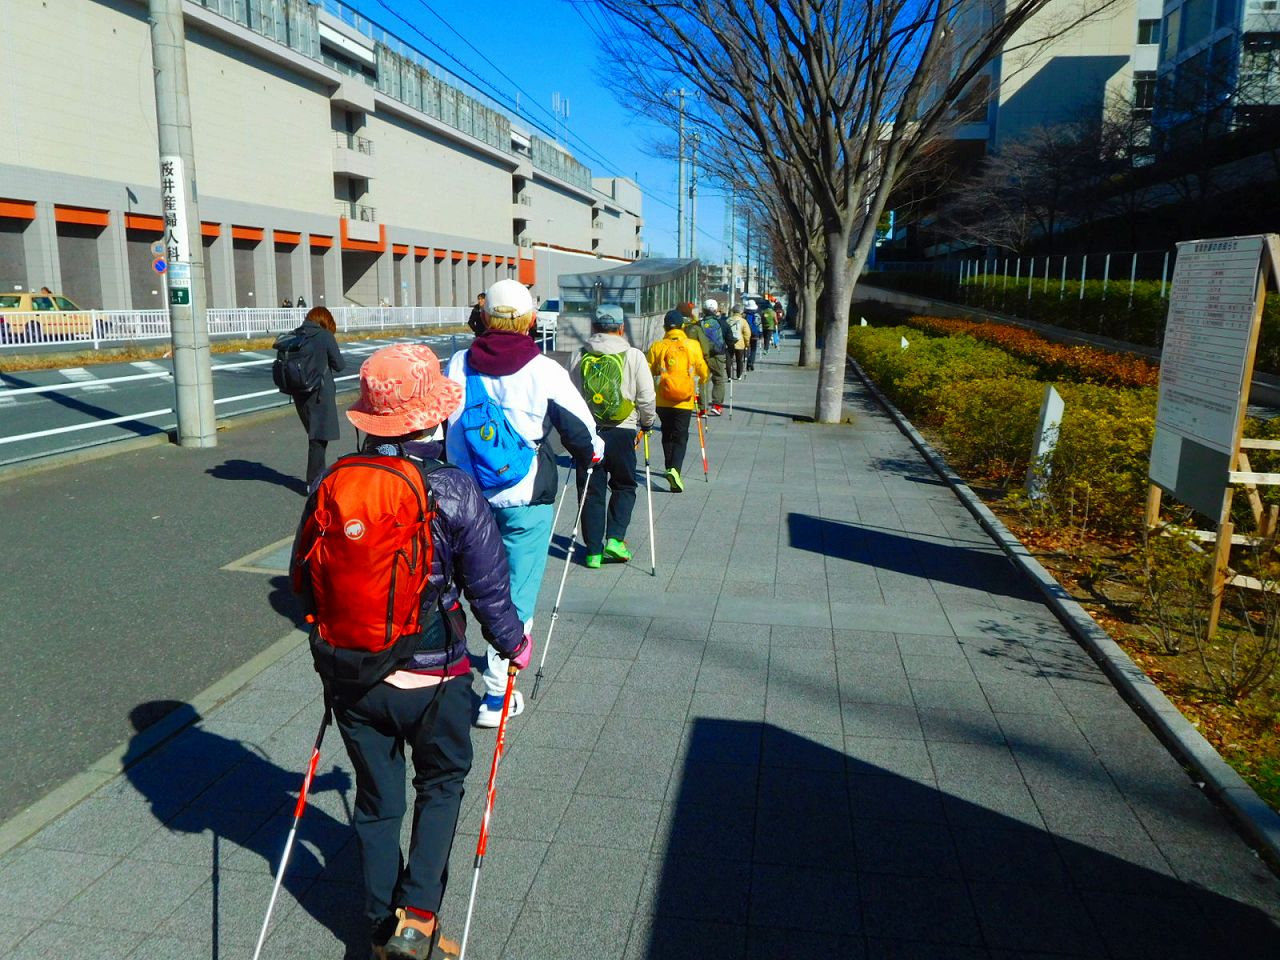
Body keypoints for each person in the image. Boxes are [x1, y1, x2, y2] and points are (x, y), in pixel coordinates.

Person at [294, 342, 530, 960]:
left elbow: (303, 581)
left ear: (371, 420)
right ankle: (417, 920)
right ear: (436, 417)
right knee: (443, 784)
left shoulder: (334, 482)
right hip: (436, 675)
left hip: (352, 675)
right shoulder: (452, 488)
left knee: (377, 805)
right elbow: (489, 588)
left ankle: (378, 929)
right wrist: (513, 645)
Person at [445, 278, 602, 727]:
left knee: (458, 585)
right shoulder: (544, 370)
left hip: (462, 498)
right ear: (531, 319)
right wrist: (594, 457)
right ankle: (498, 694)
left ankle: (441, 667)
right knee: (516, 594)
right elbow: (583, 437)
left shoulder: (457, 365)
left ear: (485, 317)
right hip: (523, 499)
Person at [569, 304, 656, 568]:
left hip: (589, 433)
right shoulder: (634, 356)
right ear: (621, 328)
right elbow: (647, 397)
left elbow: (570, 396)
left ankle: (593, 552)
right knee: (624, 485)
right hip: (623, 430)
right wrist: (646, 424)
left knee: (590, 491)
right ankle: (615, 540)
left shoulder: (579, 354)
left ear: (593, 327)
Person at [647, 308, 708, 493]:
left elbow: (648, 370)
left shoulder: (658, 346)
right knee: (681, 435)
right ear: (682, 326)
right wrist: (700, 381)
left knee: (667, 432)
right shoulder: (692, 345)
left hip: (663, 399)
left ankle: (669, 467)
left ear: (665, 327)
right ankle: (675, 470)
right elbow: (703, 370)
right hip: (685, 399)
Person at [291, 306, 346, 488]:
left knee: (315, 437)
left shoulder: (296, 334)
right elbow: (339, 365)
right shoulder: (324, 336)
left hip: (299, 393)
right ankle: (314, 482)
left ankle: (316, 479)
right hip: (320, 394)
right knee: (318, 439)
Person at [697, 298, 731, 415]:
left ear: (704, 310)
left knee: (703, 380)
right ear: (716, 310)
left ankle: (703, 408)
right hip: (718, 355)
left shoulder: (698, 324)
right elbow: (730, 339)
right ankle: (716, 406)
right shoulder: (722, 323)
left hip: (703, 355)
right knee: (719, 379)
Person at [727, 307, 750, 381]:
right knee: (739, 360)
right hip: (740, 343)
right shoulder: (743, 321)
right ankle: (738, 375)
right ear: (741, 312)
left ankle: (729, 376)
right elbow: (747, 334)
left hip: (729, 343)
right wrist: (747, 343)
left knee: (729, 360)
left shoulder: (728, 320)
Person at [744, 300, 762, 371]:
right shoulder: (757, 315)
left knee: (747, 348)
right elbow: (759, 325)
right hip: (755, 334)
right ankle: (751, 363)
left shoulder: (744, 315)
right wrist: (760, 334)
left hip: (746, 334)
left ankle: (747, 362)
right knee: (754, 349)